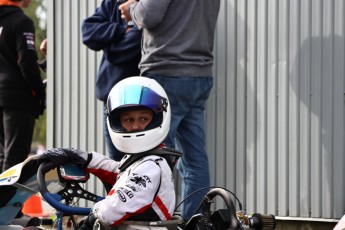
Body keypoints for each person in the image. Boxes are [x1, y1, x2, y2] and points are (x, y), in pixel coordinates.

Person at [119, 0, 221, 221]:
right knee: (195, 159)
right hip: (200, 73)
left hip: (165, 70)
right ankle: (195, 222)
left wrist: (132, 9)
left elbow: (149, 15)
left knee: (154, 154)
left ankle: (150, 223)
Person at [38, 77, 181, 229]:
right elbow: (118, 172)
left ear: (158, 118)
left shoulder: (151, 166)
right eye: (129, 120)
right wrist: (82, 157)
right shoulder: (145, 160)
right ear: (117, 122)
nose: (135, 127)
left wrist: (93, 215)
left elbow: (110, 211)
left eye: (143, 118)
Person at [81, 0, 142, 161]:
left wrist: (108, 45)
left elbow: (121, 52)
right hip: (112, 99)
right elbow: (87, 31)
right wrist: (121, 30)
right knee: (117, 162)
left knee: (142, 161)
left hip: (140, 99)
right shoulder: (112, 4)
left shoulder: (147, 6)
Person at [0, 0, 46, 173]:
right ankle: (6, 200)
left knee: (2, 157)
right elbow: (26, 63)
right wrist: (40, 93)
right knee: (14, 162)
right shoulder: (21, 21)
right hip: (17, 99)